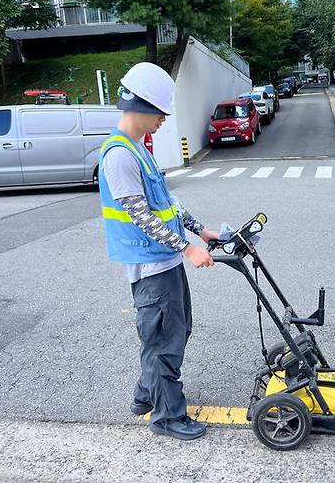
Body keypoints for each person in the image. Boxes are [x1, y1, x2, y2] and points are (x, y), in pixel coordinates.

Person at [98, 62, 218, 441]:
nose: (164, 119)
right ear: (141, 106)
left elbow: (167, 202)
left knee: (174, 331)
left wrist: (202, 230)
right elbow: (140, 216)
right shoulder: (119, 155)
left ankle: (145, 395)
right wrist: (188, 249)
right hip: (152, 268)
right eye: (160, 113)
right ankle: (167, 417)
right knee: (166, 339)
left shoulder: (138, 149)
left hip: (164, 262)